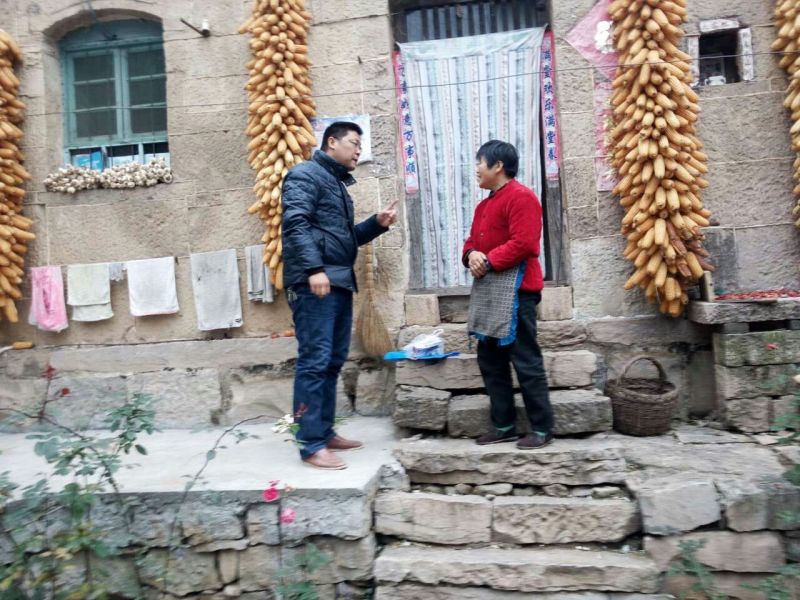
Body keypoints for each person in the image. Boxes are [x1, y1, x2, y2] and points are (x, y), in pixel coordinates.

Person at [282, 121, 398, 470]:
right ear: (332, 142)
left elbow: (343, 239)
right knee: (314, 361)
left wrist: (376, 224)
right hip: (315, 282)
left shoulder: (335, 184)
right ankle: (310, 444)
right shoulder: (304, 175)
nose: (359, 150)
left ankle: (324, 431)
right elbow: (295, 223)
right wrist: (314, 269)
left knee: (332, 362)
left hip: (337, 281)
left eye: (361, 145)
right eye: (354, 143)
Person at [462, 140, 554, 449]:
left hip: (518, 293)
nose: (477, 168)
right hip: (490, 293)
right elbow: (471, 242)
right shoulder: (483, 206)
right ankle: (504, 426)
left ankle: (541, 429)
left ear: (498, 165)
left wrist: (487, 260)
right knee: (490, 362)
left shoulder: (522, 197)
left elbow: (525, 243)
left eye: (480, 162)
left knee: (525, 360)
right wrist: (472, 255)